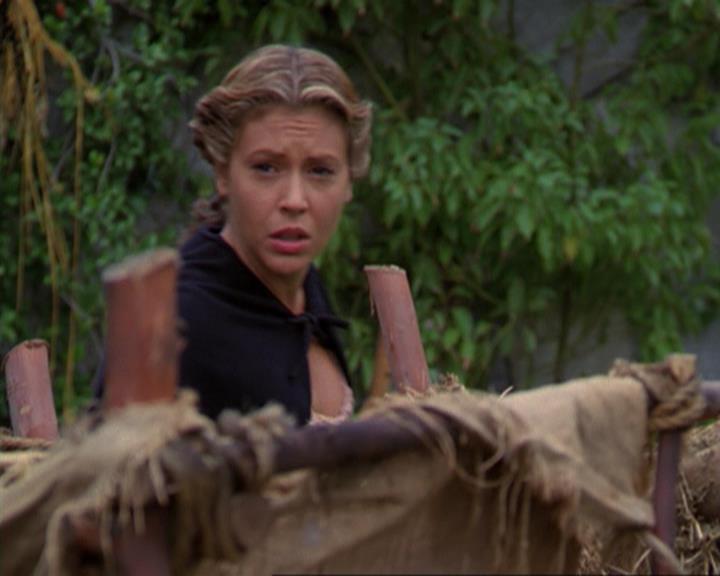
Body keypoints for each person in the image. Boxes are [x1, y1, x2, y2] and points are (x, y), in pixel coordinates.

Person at [178, 45, 372, 425]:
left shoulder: (304, 291)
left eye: (320, 171)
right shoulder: (180, 322)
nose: (294, 201)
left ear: (349, 180)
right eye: (266, 168)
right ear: (223, 173)